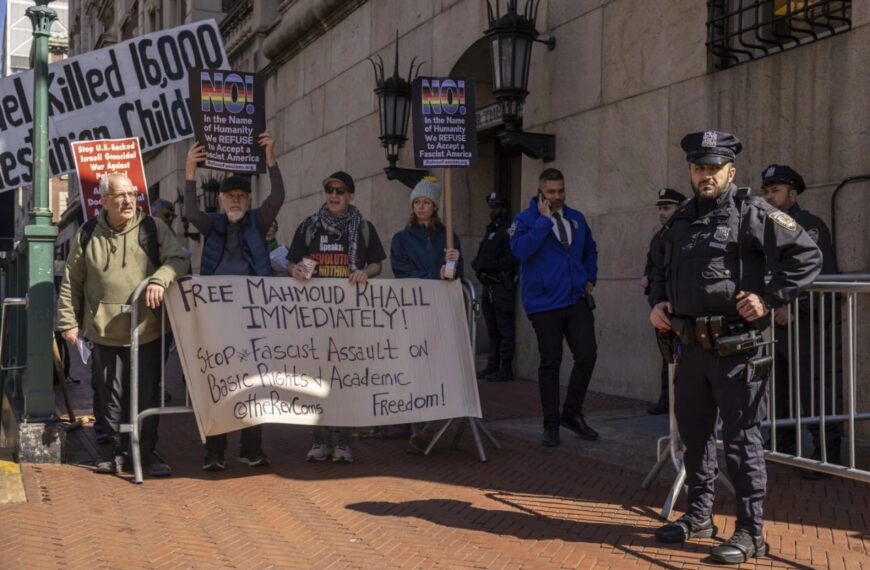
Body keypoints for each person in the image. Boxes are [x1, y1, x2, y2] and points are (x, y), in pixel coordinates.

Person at [648, 131, 821, 564]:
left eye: (712, 167)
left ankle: (750, 532)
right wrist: (657, 304)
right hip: (689, 350)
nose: (705, 175)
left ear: (730, 170)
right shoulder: (682, 219)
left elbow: (807, 256)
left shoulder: (753, 212)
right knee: (695, 438)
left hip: (736, 349)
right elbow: (658, 268)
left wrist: (769, 297)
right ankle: (700, 516)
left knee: (742, 442)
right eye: (698, 167)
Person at [57, 173, 189, 477]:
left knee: (147, 394)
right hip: (105, 331)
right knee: (109, 396)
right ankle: (117, 452)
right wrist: (67, 321)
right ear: (104, 201)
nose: (128, 200)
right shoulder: (88, 233)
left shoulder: (153, 228)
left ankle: (145, 452)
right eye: (120, 196)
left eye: (132, 194)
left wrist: (159, 278)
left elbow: (178, 260)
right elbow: (71, 282)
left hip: (148, 329)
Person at [185, 133, 283, 471]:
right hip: (218, 317)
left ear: (247, 199)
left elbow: (279, 196)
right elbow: (190, 211)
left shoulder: (258, 220)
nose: (236, 200)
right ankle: (214, 453)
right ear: (223, 200)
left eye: (242, 195)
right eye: (231, 196)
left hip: (253, 316)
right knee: (219, 383)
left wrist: (270, 156)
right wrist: (189, 170)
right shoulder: (212, 224)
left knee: (254, 382)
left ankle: (251, 449)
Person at [287, 170, 386, 463]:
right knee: (316, 379)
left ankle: (343, 442)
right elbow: (292, 260)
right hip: (315, 317)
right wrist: (295, 270)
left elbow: (378, 264)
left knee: (343, 380)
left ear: (350, 195)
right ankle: (319, 440)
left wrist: (363, 272)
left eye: (340, 191)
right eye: (329, 190)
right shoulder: (309, 226)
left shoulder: (363, 227)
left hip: (348, 317)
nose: (333, 195)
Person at [510, 168, 599, 448]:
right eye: (551, 192)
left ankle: (571, 413)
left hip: (575, 299)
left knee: (587, 354)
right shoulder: (524, 220)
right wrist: (543, 222)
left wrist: (590, 277)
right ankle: (551, 424)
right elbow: (519, 251)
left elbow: (590, 249)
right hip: (544, 304)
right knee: (551, 362)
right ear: (540, 192)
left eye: (561, 190)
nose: (557, 196)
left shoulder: (576, 218)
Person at [761, 163, 840, 477]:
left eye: (775, 191)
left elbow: (819, 274)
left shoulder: (809, 226)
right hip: (773, 324)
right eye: (766, 191)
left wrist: (794, 307)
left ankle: (826, 455)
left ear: (792, 194)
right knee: (779, 391)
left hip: (804, 324)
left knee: (814, 392)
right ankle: (783, 447)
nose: (769, 197)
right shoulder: (766, 228)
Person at [390, 177, 462, 453]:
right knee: (416, 366)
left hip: (441, 311)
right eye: (418, 202)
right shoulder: (402, 239)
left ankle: (432, 425)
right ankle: (416, 426)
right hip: (413, 310)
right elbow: (402, 272)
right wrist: (435, 274)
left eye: (427, 202)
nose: (422, 207)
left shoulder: (448, 236)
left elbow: (457, 275)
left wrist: (454, 263)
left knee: (438, 366)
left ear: (435, 207)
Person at [642, 188, 687, 415]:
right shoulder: (659, 237)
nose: (661, 212)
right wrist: (646, 278)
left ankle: (679, 401)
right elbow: (653, 266)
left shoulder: (684, 234)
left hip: (681, 305)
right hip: (661, 306)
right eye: (660, 208)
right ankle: (667, 399)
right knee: (666, 355)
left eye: (666, 208)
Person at [472, 192, 518, 383]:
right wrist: (478, 264)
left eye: (495, 207)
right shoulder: (491, 228)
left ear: (504, 208)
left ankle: (505, 368)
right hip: (488, 286)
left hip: (500, 285)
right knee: (492, 329)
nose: (492, 210)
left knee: (504, 328)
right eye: (491, 207)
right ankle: (492, 365)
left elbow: (512, 258)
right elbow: (482, 254)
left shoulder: (509, 229)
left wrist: (490, 265)